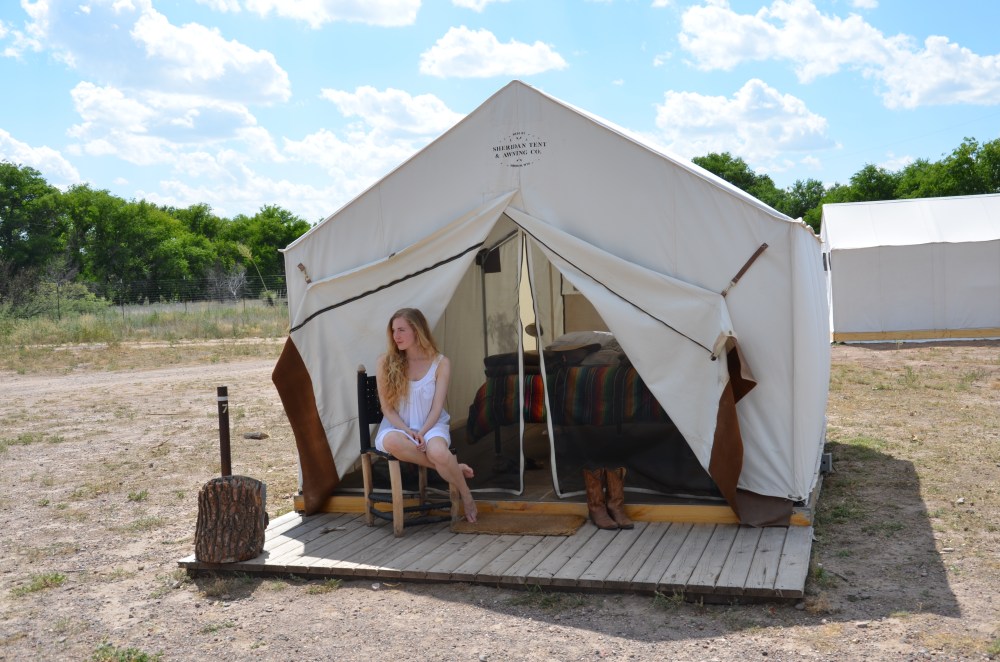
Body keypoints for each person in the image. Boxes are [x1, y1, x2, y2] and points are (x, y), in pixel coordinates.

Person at [373, 308, 478, 523]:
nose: (396, 336)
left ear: (417, 330)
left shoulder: (441, 363)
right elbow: (388, 409)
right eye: (393, 331)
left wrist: (421, 432)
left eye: (401, 330)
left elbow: (437, 407)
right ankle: (454, 468)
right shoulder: (385, 362)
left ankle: (466, 494)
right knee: (393, 441)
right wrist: (408, 431)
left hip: (431, 424)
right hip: (398, 427)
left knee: (439, 452)